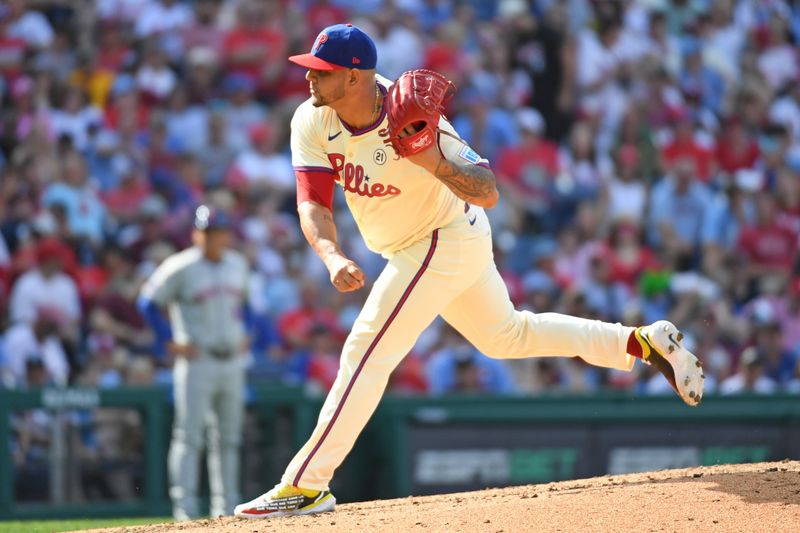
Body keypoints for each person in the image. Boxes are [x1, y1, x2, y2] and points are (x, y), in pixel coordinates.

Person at [234, 24, 704, 520]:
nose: (309, 78)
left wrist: (433, 158)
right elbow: (313, 204)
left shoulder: (407, 113)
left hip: (443, 234)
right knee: (507, 335)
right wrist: (331, 255)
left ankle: (306, 484)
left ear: (355, 77)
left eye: (321, 71)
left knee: (366, 349)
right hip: (421, 242)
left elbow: (488, 190)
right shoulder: (311, 119)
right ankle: (640, 343)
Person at [137, 205, 250, 520]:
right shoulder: (180, 266)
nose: (214, 238)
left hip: (231, 361)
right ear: (196, 234)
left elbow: (250, 305)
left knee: (228, 438)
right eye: (208, 232)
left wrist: (248, 332)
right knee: (189, 436)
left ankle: (225, 508)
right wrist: (168, 341)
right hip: (197, 361)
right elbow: (147, 302)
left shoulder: (237, 264)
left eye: (219, 232)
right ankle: (184, 509)